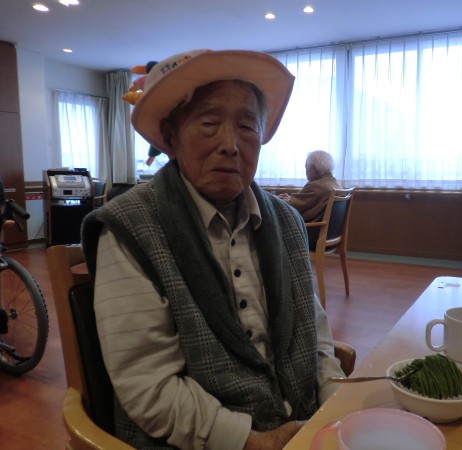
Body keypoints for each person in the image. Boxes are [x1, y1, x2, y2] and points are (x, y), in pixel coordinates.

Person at [81, 50, 345, 450]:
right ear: (171, 136)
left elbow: (316, 332)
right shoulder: (130, 227)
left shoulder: (287, 222)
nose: (230, 145)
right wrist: (256, 442)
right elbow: (147, 385)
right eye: (208, 123)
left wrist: (337, 406)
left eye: (247, 126)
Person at [278, 150, 340, 223]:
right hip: (328, 228)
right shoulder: (335, 184)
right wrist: (290, 198)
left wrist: (276, 199)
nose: (306, 171)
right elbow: (305, 201)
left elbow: (292, 206)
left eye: (306, 168)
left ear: (314, 169)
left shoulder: (316, 186)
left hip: (309, 228)